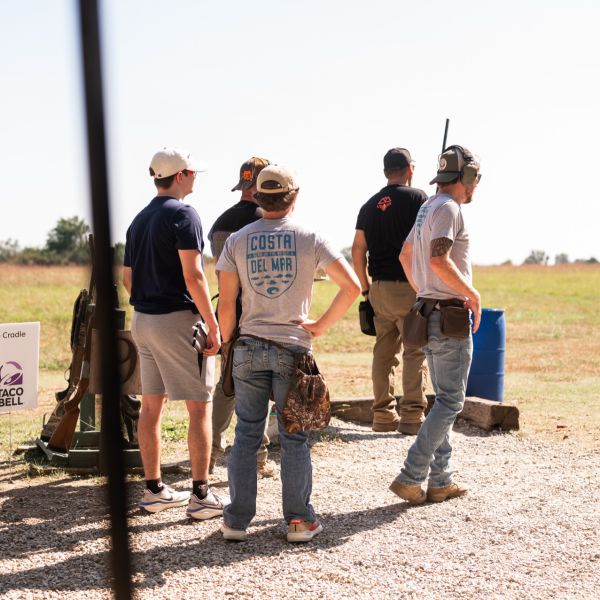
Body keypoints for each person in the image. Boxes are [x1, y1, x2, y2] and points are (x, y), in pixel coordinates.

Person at [216, 165, 360, 542]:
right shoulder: (311, 237)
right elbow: (352, 286)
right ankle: (298, 520)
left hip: (247, 347)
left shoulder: (237, 241)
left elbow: (227, 304)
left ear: (258, 197)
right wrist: (320, 325)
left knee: (246, 434)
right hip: (293, 350)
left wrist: (227, 343)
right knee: (293, 435)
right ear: (294, 197)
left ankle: (235, 521)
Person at [123, 147, 227, 519]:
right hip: (177, 320)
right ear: (180, 175)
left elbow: (127, 279)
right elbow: (194, 275)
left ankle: (154, 490)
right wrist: (212, 324)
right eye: (193, 172)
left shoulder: (138, 220)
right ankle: (201, 496)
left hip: (143, 321)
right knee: (200, 405)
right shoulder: (185, 214)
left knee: (151, 405)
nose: (196, 176)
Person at [390, 145, 482, 504]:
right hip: (449, 316)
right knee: (451, 401)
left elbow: (405, 255)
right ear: (469, 177)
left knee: (442, 399)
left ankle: (441, 480)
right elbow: (438, 258)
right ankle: (411, 474)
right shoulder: (448, 207)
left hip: (427, 312)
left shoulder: (427, 206)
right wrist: (470, 293)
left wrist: (425, 290)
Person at [207, 156, 275, 477]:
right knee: (259, 385)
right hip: (262, 313)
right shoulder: (269, 219)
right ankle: (258, 458)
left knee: (227, 383)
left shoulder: (219, 223)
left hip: (228, 311)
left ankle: (209, 450)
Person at [352, 148, 429, 434]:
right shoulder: (420, 199)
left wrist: (365, 289)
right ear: (410, 169)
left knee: (383, 352)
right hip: (410, 287)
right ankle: (411, 416)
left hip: (379, 289)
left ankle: (383, 415)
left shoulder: (369, 205)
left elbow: (358, 250)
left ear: (386, 171)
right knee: (414, 352)